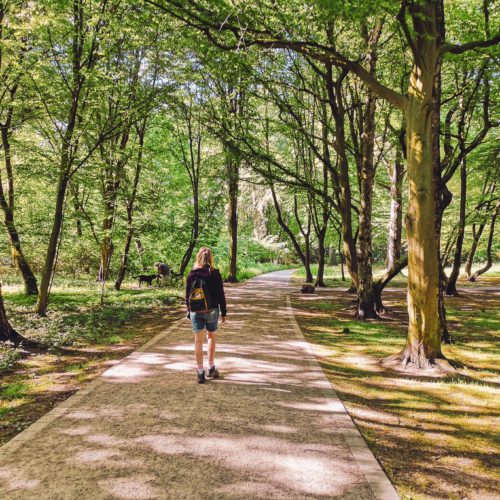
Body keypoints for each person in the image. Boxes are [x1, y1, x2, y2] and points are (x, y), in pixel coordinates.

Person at [185, 247, 227, 384]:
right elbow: (221, 294)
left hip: (196, 311)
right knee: (211, 336)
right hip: (212, 310)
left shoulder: (192, 274)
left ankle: (200, 372)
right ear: (210, 258)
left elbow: (187, 296)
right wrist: (224, 312)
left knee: (198, 341)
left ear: (198, 257)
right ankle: (211, 367)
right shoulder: (215, 274)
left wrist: (188, 310)